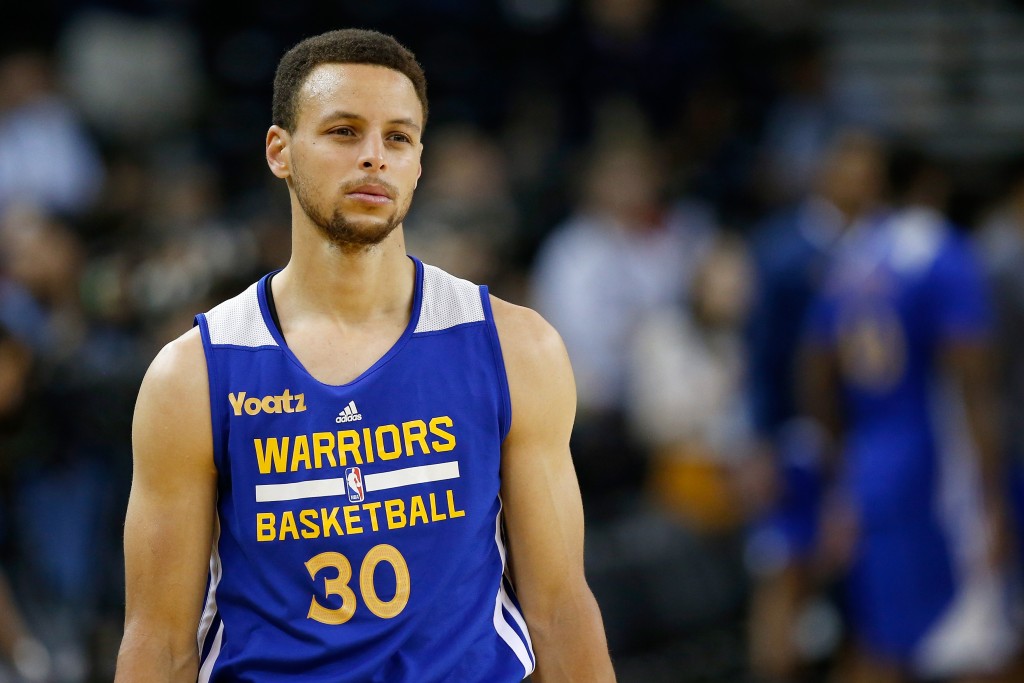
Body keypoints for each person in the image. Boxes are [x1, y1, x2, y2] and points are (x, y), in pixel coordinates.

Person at [114, 29, 615, 683]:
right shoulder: (194, 374)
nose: (374, 157)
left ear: (419, 162)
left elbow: (560, 609)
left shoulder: (516, 346)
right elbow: (159, 640)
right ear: (280, 151)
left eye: (398, 137)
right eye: (344, 132)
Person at [799, 147, 1021, 683]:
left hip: (870, 465)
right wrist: (992, 494)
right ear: (932, 184)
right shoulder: (944, 254)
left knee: (882, 643)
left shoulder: (852, 259)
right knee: (979, 650)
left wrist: (838, 472)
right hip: (940, 476)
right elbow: (973, 381)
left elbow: (813, 374)